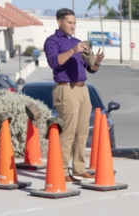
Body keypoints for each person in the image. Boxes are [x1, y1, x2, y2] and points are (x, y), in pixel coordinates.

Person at [43, 8, 104, 182]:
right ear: (59, 22)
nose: (73, 26)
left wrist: (96, 62)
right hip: (66, 89)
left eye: (75, 23)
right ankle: (61, 171)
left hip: (83, 89)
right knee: (68, 132)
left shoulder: (79, 42)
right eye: (69, 23)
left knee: (82, 132)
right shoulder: (52, 41)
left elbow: (91, 69)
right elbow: (54, 62)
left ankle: (78, 168)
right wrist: (72, 51)